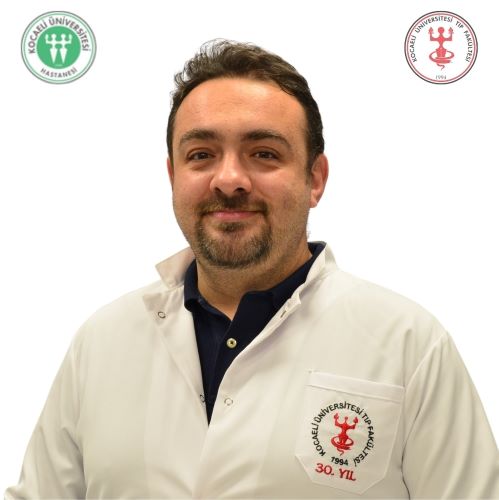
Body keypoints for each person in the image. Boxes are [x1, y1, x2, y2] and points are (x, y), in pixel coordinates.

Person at [5, 39, 498, 499]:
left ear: (315, 179)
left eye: (264, 154)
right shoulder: (101, 342)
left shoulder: (408, 344)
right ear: (173, 175)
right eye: (201, 155)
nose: (229, 180)